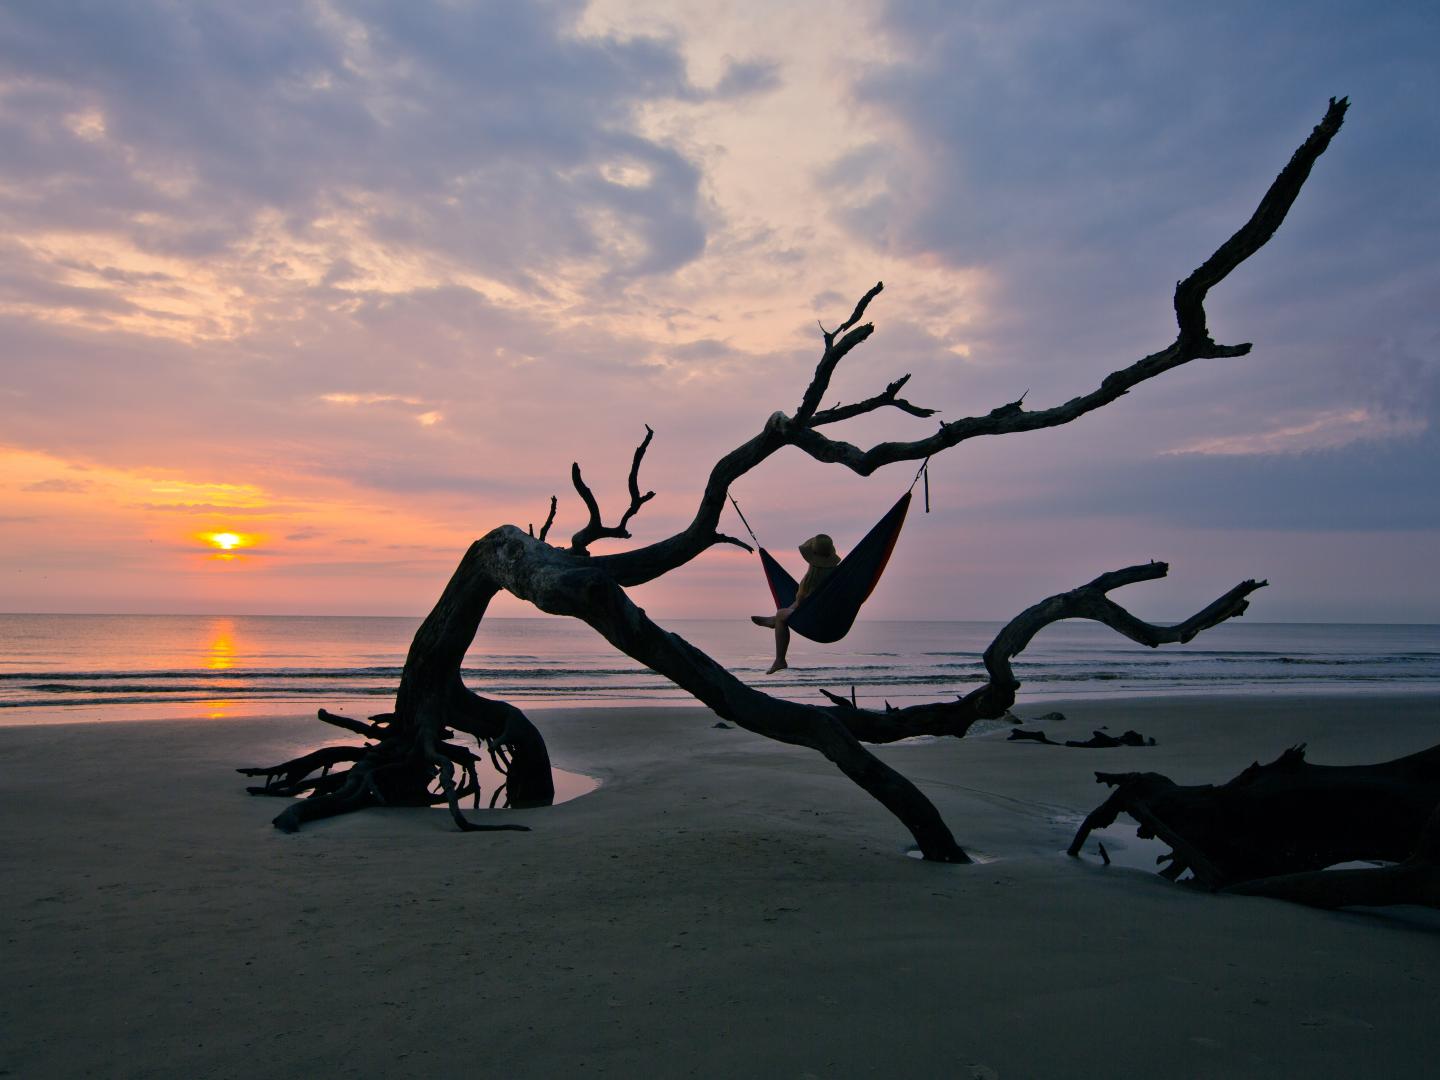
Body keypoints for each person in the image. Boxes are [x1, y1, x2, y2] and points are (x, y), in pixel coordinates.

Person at [751, 533, 842, 674]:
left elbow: (800, 602)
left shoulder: (810, 581)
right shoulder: (839, 576)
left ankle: (780, 659)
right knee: (790, 609)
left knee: (781, 614)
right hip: (833, 622)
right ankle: (774, 620)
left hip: (815, 621)